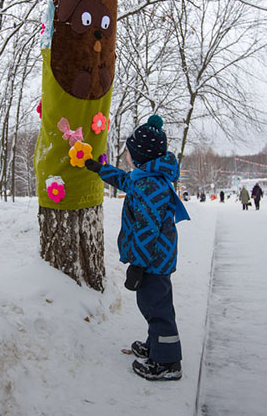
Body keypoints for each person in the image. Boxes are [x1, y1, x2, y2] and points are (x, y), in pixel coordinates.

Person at [84, 115, 189, 381]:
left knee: (156, 307)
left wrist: (139, 265)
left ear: (140, 155)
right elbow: (126, 181)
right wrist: (99, 168)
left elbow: (147, 229)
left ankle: (167, 363)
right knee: (154, 304)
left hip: (153, 259)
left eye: (130, 153)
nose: (127, 157)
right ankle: (157, 345)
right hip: (156, 257)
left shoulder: (150, 185)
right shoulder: (147, 177)